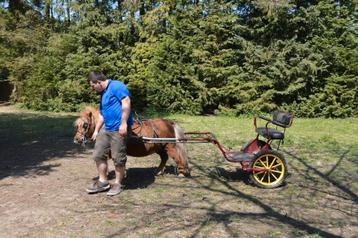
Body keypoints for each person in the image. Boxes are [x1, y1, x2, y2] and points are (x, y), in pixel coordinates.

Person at [86, 71, 133, 196]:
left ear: (99, 82)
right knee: (98, 155)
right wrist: (96, 130)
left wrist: (123, 123)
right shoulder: (103, 93)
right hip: (106, 128)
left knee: (118, 158)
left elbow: (126, 103)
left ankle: (118, 183)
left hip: (118, 129)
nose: (92, 89)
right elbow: (102, 114)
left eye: (92, 86)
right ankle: (103, 181)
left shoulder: (117, 86)